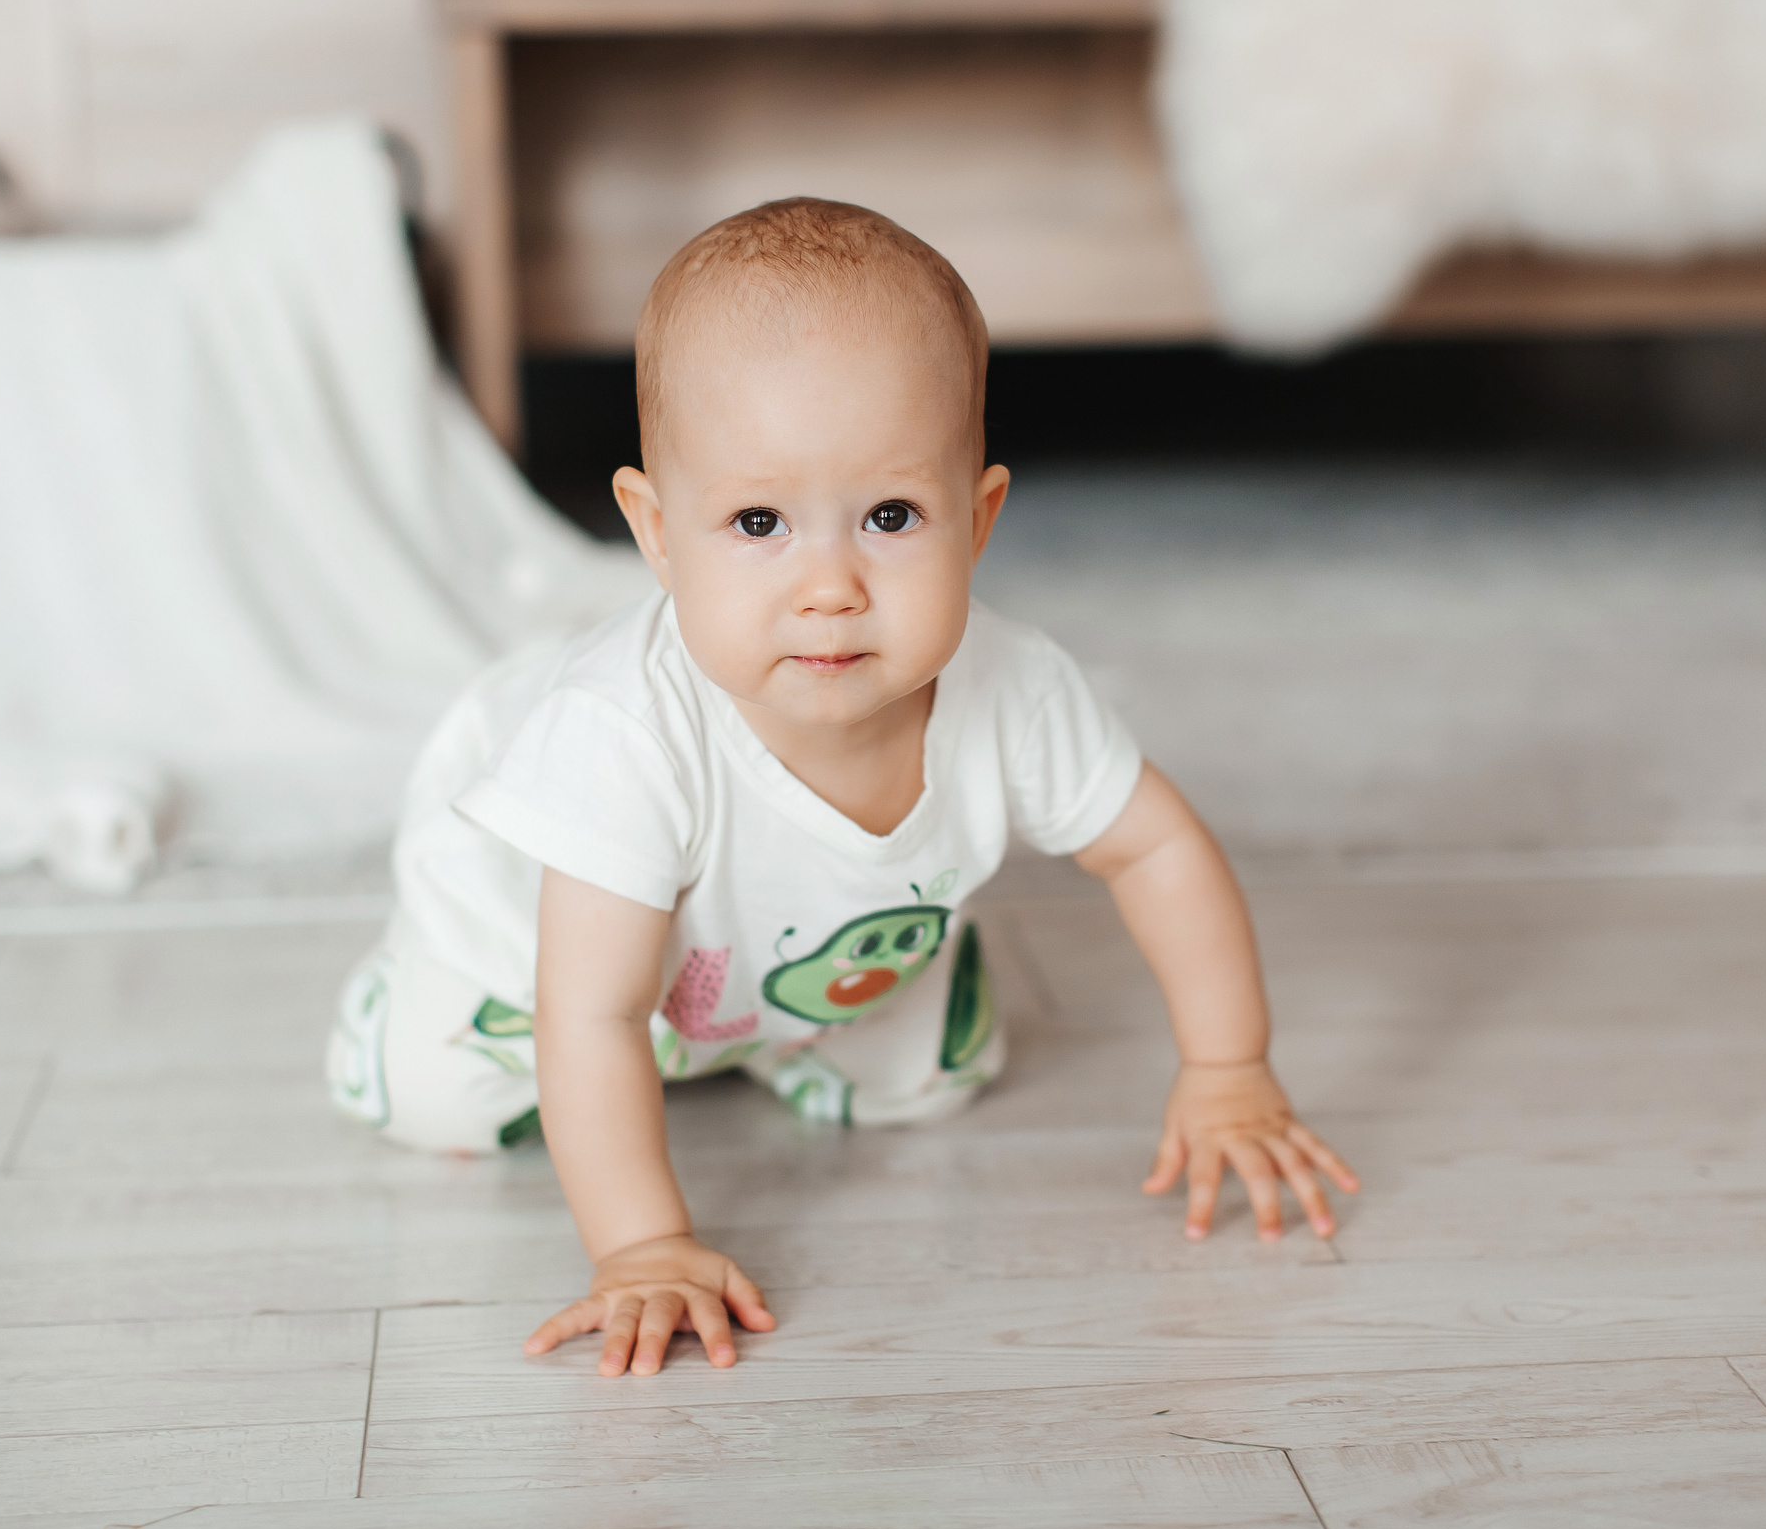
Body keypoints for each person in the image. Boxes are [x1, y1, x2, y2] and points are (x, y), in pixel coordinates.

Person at [324, 197, 1357, 1376]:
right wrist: (643, 1244)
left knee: (938, 1079)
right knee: (433, 1101)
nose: (830, 587)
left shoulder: (1012, 688)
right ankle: (417, 1000)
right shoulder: (617, 735)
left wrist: (1229, 1069)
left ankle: (762, 1033)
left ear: (978, 521)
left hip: (761, 964)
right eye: (758, 521)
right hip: (542, 960)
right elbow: (592, 1010)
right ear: (658, 535)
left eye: (890, 516)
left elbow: (1156, 849)